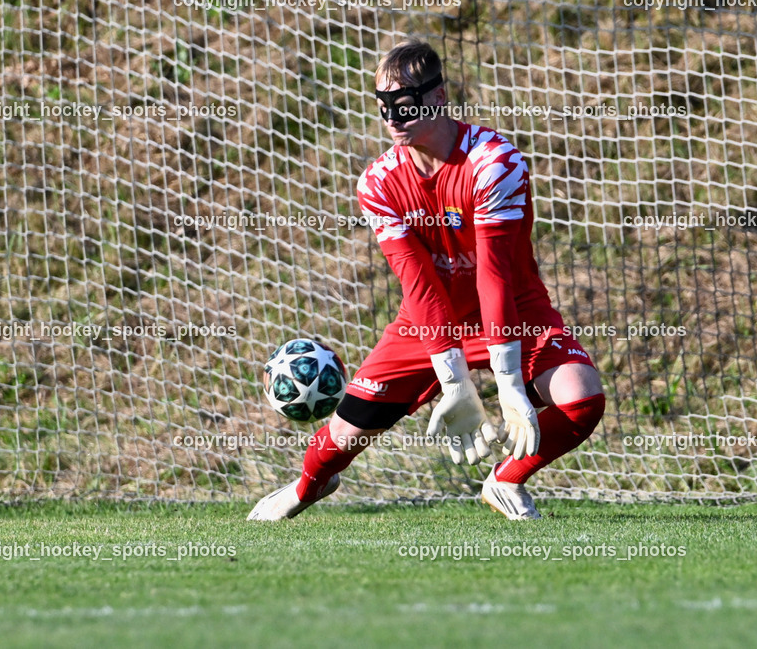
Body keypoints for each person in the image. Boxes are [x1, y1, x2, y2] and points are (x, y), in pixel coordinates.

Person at [248, 39, 605, 521]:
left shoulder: (494, 162)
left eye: (404, 103)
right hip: (427, 321)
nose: (392, 118)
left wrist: (508, 384)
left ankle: (504, 480)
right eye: (383, 106)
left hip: (513, 310)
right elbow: (419, 284)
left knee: (582, 395)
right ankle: (308, 487)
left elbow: (495, 276)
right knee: (342, 439)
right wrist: (453, 379)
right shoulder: (378, 183)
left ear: (438, 97)